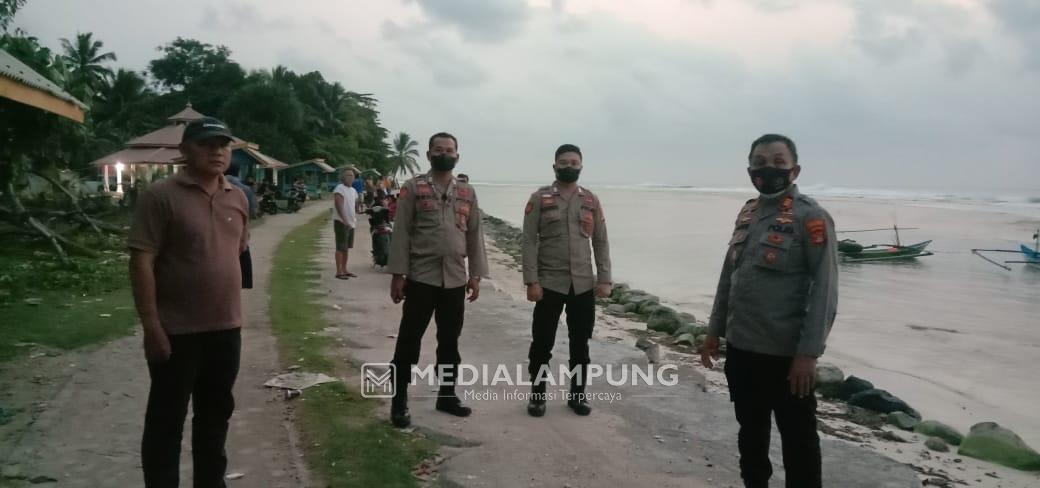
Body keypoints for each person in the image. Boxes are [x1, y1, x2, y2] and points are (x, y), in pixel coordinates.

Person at [701, 134, 838, 488]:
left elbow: (825, 290)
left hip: (787, 358)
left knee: (799, 443)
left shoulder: (812, 218)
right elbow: (729, 277)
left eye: (778, 162)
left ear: (795, 169)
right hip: (742, 350)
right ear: (750, 168)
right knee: (751, 435)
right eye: (760, 162)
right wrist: (714, 331)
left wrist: (808, 354)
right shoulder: (747, 212)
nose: (769, 169)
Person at [128, 117, 249, 487]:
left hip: (226, 329)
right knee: (166, 421)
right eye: (207, 143)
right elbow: (141, 261)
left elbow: (237, 250)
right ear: (185, 150)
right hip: (176, 330)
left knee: (215, 417)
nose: (218, 151)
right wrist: (152, 326)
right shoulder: (160, 196)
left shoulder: (238, 196)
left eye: (224, 145)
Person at [386, 132, 489, 428]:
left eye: (450, 150)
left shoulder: (467, 192)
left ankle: (446, 394)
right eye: (438, 149)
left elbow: (474, 234)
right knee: (409, 341)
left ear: (458, 156)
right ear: (429, 155)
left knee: (449, 342)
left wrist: (476, 275)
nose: (445, 153)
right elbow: (402, 232)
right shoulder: (413, 188)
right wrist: (398, 275)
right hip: (421, 278)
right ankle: (399, 400)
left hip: (455, 279)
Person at [521, 144, 612, 417]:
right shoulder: (540, 198)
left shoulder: (591, 201)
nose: (569, 166)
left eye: (574, 162)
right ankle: (537, 396)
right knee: (542, 343)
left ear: (581, 166)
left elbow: (601, 240)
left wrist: (605, 278)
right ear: (554, 166)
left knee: (580, 344)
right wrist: (531, 280)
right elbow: (528, 241)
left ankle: (577, 395)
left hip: (583, 284)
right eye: (564, 162)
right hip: (549, 282)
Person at [333, 168, 359, 280]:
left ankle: (345, 269)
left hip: (351, 222)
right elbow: (339, 205)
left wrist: (353, 218)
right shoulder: (339, 189)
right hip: (341, 222)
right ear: (343, 177)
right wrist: (344, 220)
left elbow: (355, 204)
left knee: (346, 247)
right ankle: (338, 271)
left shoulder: (353, 190)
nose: (350, 177)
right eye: (348, 175)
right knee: (340, 247)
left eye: (352, 175)